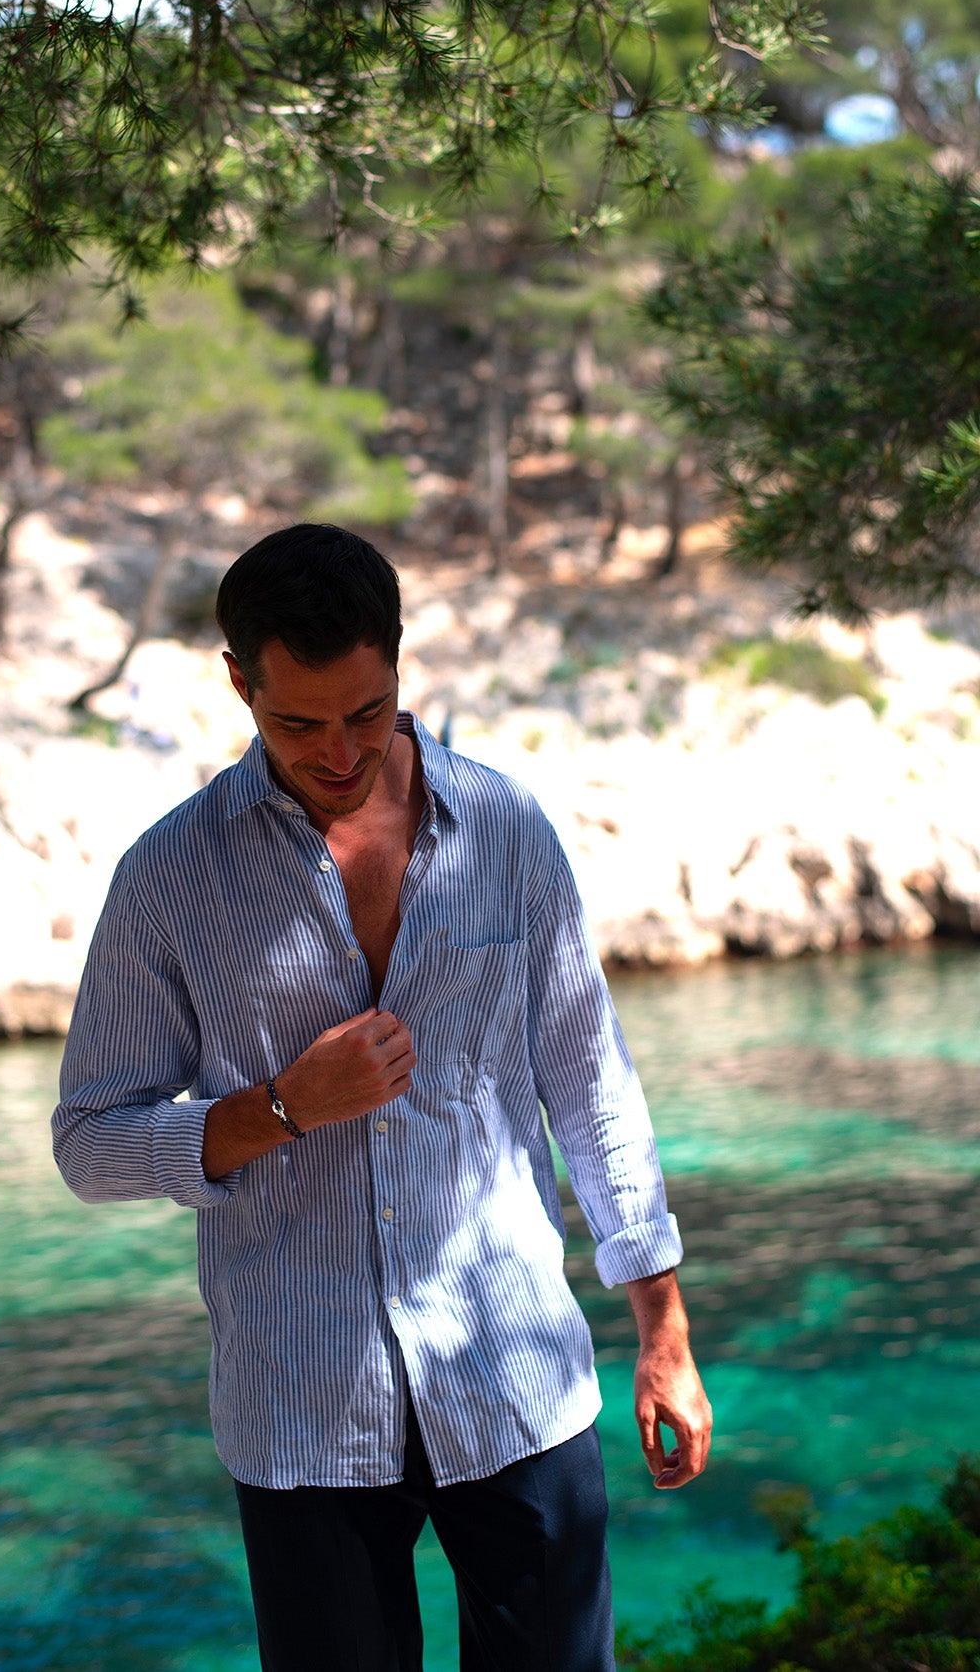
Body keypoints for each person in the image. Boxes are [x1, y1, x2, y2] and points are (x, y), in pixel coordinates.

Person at [53, 524, 712, 1672]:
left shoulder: (505, 828)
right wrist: (280, 1106)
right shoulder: (169, 876)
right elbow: (89, 1142)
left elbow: (589, 1078)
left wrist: (663, 1327)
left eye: (366, 711)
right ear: (240, 684)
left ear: (399, 664)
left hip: (514, 1375)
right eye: (298, 723)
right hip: (302, 1406)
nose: (340, 750)